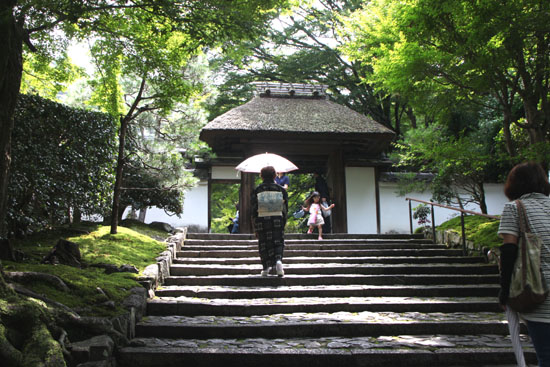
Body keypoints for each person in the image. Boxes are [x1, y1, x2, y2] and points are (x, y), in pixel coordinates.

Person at [498, 162, 550, 367]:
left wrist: (505, 291)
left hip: (540, 291)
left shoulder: (515, 208)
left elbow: (509, 251)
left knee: (546, 356)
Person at [251, 166, 288, 277]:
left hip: (262, 219)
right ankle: (278, 261)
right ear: (275, 175)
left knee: (264, 243)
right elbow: (285, 208)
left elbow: (254, 209)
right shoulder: (281, 189)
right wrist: (283, 221)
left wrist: (255, 226)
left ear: (261, 176)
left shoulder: (257, 190)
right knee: (278, 241)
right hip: (277, 218)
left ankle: (266, 268)